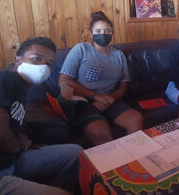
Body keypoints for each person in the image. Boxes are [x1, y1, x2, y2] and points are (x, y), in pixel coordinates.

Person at [0, 37, 82, 194]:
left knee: (76, 152)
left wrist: (26, 143)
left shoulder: (21, 90)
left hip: (13, 160)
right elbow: (0, 133)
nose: (43, 67)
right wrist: (19, 147)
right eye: (36, 59)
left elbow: (12, 123)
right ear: (18, 60)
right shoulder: (4, 79)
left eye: (49, 64)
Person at [59, 11, 143, 146]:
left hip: (110, 99)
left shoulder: (119, 55)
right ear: (91, 34)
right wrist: (95, 96)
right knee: (101, 133)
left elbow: (123, 86)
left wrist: (107, 101)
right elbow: (64, 81)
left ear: (112, 34)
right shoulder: (81, 49)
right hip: (83, 101)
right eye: (98, 31)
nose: (103, 34)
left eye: (107, 31)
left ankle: (135, 160)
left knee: (136, 119)